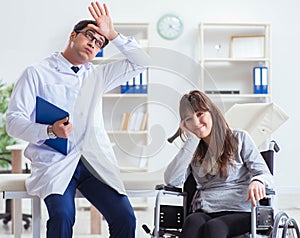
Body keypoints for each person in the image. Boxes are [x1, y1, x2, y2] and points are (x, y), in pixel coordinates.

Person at [6, 2, 149, 237]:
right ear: (73, 36)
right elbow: (13, 121)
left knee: (125, 217)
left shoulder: (97, 74)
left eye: (100, 42)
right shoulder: (37, 73)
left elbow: (142, 62)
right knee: (63, 216)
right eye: (89, 36)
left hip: (93, 163)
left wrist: (112, 34)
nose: (94, 43)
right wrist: (50, 131)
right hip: (56, 161)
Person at [164, 90, 273, 238]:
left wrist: (258, 180)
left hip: (239, 210)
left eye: (199, 114)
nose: (196, 122)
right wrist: (193, 138)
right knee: (191, 223)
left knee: (215, 227)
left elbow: (265, 174)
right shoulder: (192, 150)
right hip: (205, 210)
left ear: (212, 112)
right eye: (189, 119)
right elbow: (171, 180)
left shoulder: (239, 138)